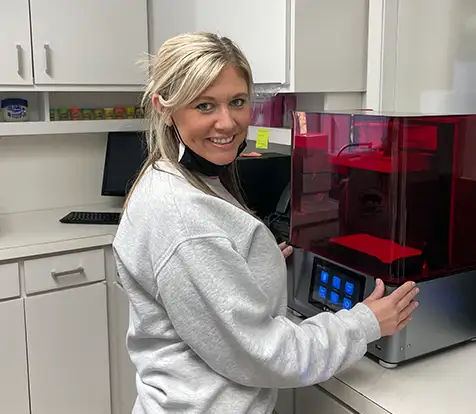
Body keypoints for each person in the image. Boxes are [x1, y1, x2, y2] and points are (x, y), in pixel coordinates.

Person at [113, 32, 420, 414]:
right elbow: (266, 355)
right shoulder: (185, 220)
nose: (227, 122)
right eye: (204, 105)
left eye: (237, 102)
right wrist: (365, 323)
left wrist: (247, 262)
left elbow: (205, 281)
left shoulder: (170, 177)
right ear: (165, 108)